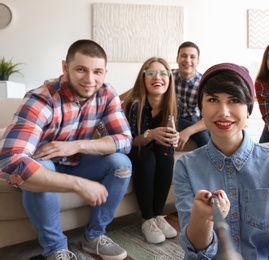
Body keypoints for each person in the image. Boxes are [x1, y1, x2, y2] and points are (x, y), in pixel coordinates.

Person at [0, 39, 132, 260]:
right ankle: (55, 249)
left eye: (97, 71)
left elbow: (124, 140)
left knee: (121, 164)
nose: (90, 79)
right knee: (39, 166)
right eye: (81, 69)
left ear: (105, 72)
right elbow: (10, 160)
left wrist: (76, 145)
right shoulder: (42, 98)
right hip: (45, 164)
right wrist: (78, 184)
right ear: (65, 68)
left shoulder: (107, 94)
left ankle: (94, 236)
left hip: (79, 161)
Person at [174, 63, 269, 259]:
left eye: (234, 100)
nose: (224, 112)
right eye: (213, 100)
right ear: (201, 107)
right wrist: (203, 219)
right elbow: (195, 251)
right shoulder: (186, 167)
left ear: (249, 109)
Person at [121, 57, 178, 244]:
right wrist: (150, 134)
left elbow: (166, 138)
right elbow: (130, 142)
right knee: (147, 157)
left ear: (169, 78)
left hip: (151, 148)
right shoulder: (135, 103)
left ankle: (158, 215)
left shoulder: (169, 103)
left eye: (163, 73)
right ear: (143, 78)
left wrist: (174, 138)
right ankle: (147, 218)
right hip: (132, 149)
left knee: (166, 154)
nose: (158, 77)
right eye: (151, 73)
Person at [172, 41, 210, 150]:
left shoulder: (205, 83)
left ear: (197, 61)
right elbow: (140, 88)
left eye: (192, 57)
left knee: (205, 137)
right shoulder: (168, 77)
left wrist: (187, 132)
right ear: (177, 59)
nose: (187, 60)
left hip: (195, 122)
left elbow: (210, 117)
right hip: (172, 120)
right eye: (183, 56)